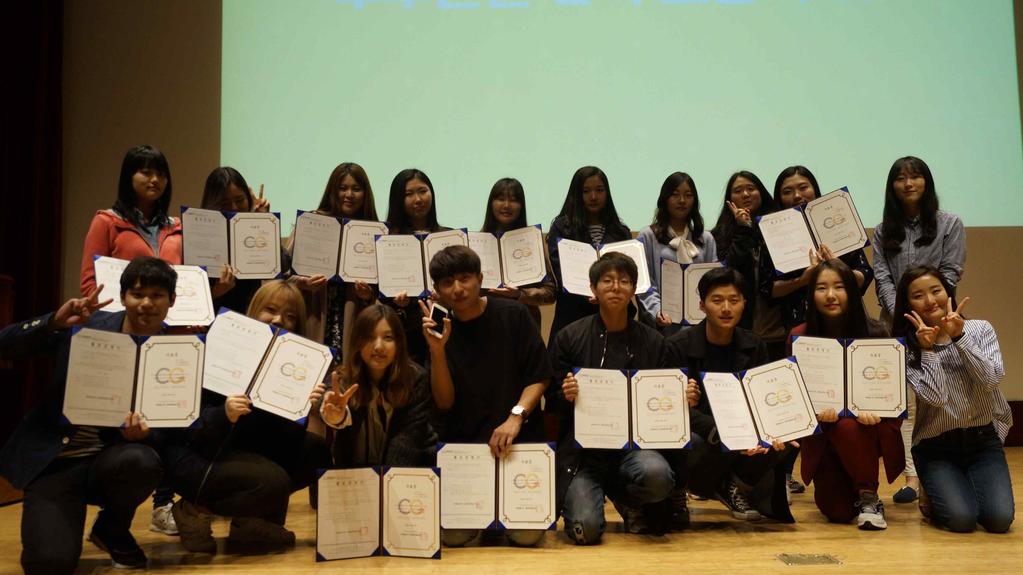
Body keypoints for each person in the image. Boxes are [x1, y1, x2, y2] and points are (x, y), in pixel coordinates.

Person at [0, 257, 173, 573]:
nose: (146, 303)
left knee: (142, 460)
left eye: (157, 295)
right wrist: (53, 321)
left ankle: (110, 527)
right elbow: (4, 346)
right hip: (56, 461)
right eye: (137, 294)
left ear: (171, 301)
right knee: (49, 564)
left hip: (111, 462)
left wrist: (146, 435)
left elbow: (172, 433)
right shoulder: (84, 327)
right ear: (123, 297)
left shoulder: (175, 356)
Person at [165, 280, 330, 554]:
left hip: (245, 455)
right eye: (271, 309)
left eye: (291, 316)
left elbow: (285, 442)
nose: (280, 320)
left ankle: (249, 523)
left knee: (316, 451)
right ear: (254, 309)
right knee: (272, 480)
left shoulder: (296, 362)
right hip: (202, 455)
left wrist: (304, 407)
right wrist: (224, 413)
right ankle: (192, 509)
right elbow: (190, 429)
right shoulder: (223, 346)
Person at [420, 245, 551, 547]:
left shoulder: (514, 314)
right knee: (453, 538)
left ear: (480, 278)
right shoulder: (439, 330)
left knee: (527, 536)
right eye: (447, 283)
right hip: (466, 449)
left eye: (465, 278)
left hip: (517, 443)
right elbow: (444, 402)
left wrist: (515, 416)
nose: (457, 289)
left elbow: (540, 375)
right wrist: (437, 352)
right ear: (436, 290)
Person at [550, 252, 686, 544]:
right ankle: (593, 497)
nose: (616, 287)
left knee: (658, 476)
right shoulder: (569, 337)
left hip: (634, 447)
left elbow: (665, 398)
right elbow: (552, 398)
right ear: (593, 289)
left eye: (624, 281)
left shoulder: (653, 340)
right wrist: (565, 394)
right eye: (607, 281)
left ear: (633, 289)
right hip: (584, 452)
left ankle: (628, 498)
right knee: (585, 531)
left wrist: (683, 396)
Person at [759, 165, 874, 494]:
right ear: (778, 198)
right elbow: (769, 288)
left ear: (816, 189)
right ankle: (786, 473)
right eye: (787, 190)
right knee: (797, 398)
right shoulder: (774, 234)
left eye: (804, 187)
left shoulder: (840, 228)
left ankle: (856, 476)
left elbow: (864, 277)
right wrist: (804, 280)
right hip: (801, 330)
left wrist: (834, 265)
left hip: (845, 324)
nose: (797, 195)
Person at [662, 267, 793, 523]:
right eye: (717, 300)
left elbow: (763, 401)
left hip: (742, 433)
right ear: (702, 305)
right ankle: (682, 489)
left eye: (734, 301)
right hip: (704, 434)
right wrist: (722, 431)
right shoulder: (678, 346)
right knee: (692, 441)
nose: (726, 308)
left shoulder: (755, 345)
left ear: (744, 304)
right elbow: (672, 411)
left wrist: (775, 428)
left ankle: (735, 485)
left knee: (782, 441)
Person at [872, 156, 966, 504]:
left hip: (939, 322)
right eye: (900, 178)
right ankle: (911, 476)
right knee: (905, 403)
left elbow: (951, 271)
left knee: (936, 396)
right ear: (892, 186)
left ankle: (937, 472)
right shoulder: (884, 230)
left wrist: (928, 309)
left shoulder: (949, 223)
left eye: (915, 177)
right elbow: (881, 274)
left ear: (926, 182)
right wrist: (901, 313)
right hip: (895, 324)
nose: (908, 183)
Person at [892, 266, 1013, 533]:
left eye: (936, 291)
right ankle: (934, 493)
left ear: (948, 293)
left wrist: (959, 337)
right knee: (962, 520)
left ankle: (960, 487)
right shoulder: (906, 349)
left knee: (999, 520)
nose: (930, 300)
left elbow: (991, 380)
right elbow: (936, 398)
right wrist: (928, 350)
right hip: (936, 448)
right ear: (907, 304)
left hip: (982, 442)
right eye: (918, 295)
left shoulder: (980, 329)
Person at [789, 259, 903, 530]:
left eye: (839, 287)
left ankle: (868, 497)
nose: (830, 295)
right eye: (821, 288)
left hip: (865, 431)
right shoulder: (799, 337)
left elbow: (892, 400)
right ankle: (855, 493)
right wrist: (813, 415)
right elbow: (794, 397)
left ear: (852, 291)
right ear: (811, 294)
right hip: (823, 435)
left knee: (850, 424)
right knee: (837, 512)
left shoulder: (876, 332)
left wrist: (877, 411)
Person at [320, 304, 437, 467]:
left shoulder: (415, 379)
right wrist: (335, 415)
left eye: (388, 338)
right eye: (369, 337)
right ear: (357, 342)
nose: (378, 346)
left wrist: (385, 486)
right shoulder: (344, 377)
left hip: (407, 470)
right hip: (357, 475)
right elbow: (327, 393)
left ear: (399, 343)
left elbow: (406, 442)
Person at [291, 162, 379, 360]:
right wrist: (303, 283)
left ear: (365, 194)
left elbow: (382, 292)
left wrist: (368, 296)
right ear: (333, 190)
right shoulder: (311, 223)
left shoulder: (374, 231)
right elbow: (284, 280)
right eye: (342, 188)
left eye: (356, 189)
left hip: (353, 324)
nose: (349, 194)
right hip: (314, 317)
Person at [80, 145, 182, 296]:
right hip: (122, 317)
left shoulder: (177, 227)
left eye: (161, 174)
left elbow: (190, 282)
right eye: (146, 173)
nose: (155, 180)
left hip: (171, 316)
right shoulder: (106, 221)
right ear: (129, 176)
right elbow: (89, 284)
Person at [547, 166, 633, 344]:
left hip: (614, 315)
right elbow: (560, 269)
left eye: (599, 190)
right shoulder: (562, 227)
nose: (593, 197)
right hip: (572, 313)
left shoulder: (620, 231)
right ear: (577, 194)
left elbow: (628, 272)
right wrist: (592, 291)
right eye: (586, 191)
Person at [386, 168, 452, 367]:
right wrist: (398, 302)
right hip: (406, 332)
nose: (418, 199)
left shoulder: (448, 236)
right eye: (409, 194)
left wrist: (447, 297)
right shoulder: (388, 241)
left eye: (423, 191)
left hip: (446, 327)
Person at [636, 172, 717, 331]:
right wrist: (657, 311)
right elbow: (645, 283)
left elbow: (714, 282)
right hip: (660, 324)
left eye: (688, 195)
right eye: (675, 195)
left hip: (699, 324)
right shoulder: (648, 235)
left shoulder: (705, 238)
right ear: (664, 199)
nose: (682, 201)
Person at [198, 166, 278, 316]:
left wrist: (264, 223)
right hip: (214, 319)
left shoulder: (256, 227)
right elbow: (192, 297)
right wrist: (215, 293)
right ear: (212, 202)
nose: (234, 208)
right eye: (225, 203)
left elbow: (282, 263)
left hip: (253, 317)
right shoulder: (199, 235)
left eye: (240, 200)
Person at [709, 171, 779, 339]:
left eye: (751, 188)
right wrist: (743, 228)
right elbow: (730, 270)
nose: (746, 194)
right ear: (729, 199)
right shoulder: (718, 235)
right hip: (737, 326)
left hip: (776, 324)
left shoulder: (779, 226)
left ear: (761, 192)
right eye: (738, 190)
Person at [478, 177, 557, 327]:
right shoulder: (476, 243)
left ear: (521, 206)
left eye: (513, 200)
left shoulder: (531, 241)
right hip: (484, 324)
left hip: (524, 324)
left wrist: (521, 295)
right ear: (491, 203)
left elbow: (550, 293)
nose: (507, 205)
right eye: (500, 199)